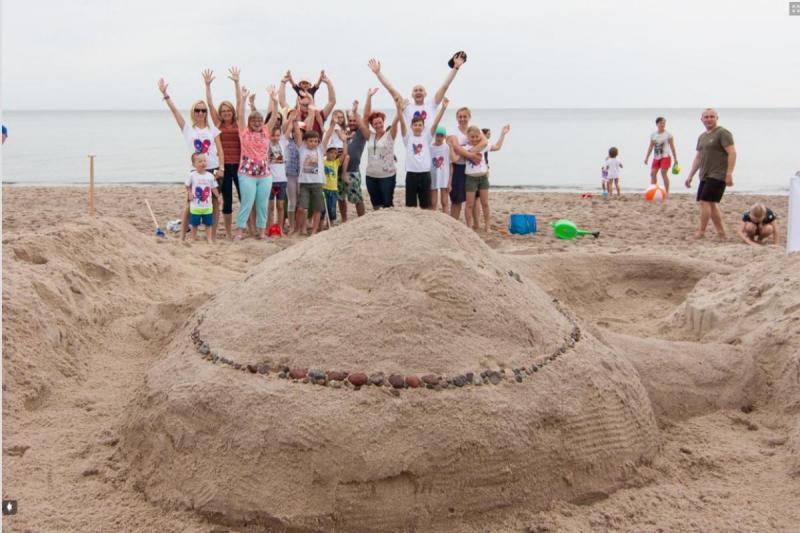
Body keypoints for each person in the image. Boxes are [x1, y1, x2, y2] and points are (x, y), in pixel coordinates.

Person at [158, 77, 224, 241]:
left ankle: (212, 236)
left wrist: (221, 168)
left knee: (215, 203)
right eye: (197, 110)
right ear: (193, 112)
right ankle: (182, 236)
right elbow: (175, 113)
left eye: (203, 110)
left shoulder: (212, 129)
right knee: (190, 202)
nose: (200, 113)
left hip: (213, 169)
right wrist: (166, 94)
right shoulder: (188, 130)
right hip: (196, 170)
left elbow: (220, 150)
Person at [204, 67, 251, 239]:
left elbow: (240, 103)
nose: (225, 113)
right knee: (228, 201)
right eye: (223, 111)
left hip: (240, 166)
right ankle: (230, 232)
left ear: (232, 111)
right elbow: (209, 104)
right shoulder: (218, 123)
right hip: (223, 166)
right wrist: (207, 85)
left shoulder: (239, 122)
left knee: (244, 198)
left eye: (228, 111)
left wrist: (237, 82)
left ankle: (245, 228)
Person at [233, 85, 279, 240]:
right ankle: (239, 231)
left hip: (265, 175)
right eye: (254, 120)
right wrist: (243, 99)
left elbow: (273, 117)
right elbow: (239, 116)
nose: (257, 122)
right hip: (247, 174)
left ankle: (261, 232)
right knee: (247, 203)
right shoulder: (244, 132)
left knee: (262, 205)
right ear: (249, 121)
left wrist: (275, 100)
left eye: (259, 120)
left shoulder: (266, 131)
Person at [367, 54, 464, 126]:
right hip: (413, 147)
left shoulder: (432, 104)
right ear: (412, 94)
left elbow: (445, 86)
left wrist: (455, 68)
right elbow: (391, 89)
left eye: (421, 90)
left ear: (425, 94)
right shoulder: (406, 106)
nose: (418, 92)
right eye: (415, 90)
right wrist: (378, 73)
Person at [685, 109, 736, 240]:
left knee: (704, 201)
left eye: (712, 117)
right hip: (704, 174)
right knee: (711, 203)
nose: (709, 119)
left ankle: (701, 232)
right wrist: (690, 176)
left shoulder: (723, 133)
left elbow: (732, 153)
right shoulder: (702, 136)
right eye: (706, 117)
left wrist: (729, 173)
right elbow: (698, 157)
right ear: (701, 119)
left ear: (717, 118)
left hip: (718, 174)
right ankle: (721, 232)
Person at [397, 96, 448, 208]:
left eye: (420, 125)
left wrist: (443, 108)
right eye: (415, 125)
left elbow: (435, 123)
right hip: (411, 174)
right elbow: (401, 123)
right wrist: (399, 110)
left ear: (423, 126)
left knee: (425, 205)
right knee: (411, 205)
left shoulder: (427, 137)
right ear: (411, 126)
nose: (418, 127)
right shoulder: (408, 138)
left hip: (425, 174)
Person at [294, 107, 335, 235]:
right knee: (301, 208)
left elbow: (327, 135)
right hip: (304, 183)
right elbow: (297, 133)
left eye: (316, 141)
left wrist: (333, 123)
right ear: (305, 141)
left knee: (318, 208)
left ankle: (314, 231)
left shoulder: (320, 149)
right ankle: (300, 229)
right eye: (311, 141)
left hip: (317, 183)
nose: (313, 143)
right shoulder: (301, 148)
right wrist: (295, 121)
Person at [464, 124, 510, 231]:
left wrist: (503, 134)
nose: (474, 139)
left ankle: (487, 225)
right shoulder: (465, 148)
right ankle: (468, 227)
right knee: (469, 204)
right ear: (468, 137)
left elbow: (497, 147)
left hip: (483, 178)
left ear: (480, 136)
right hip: (471, 179)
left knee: (485, 203)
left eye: (477, 136)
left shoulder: (483, 146)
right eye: (472, 137)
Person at [362, 87, 400, 209]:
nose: (378, 125)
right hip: (371, 176)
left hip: (387, 176)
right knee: (376, 204)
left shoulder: (390, 135)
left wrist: (399, 107)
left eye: (380, 122)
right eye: (375, 123)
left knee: (387, 204)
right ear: (372, 125)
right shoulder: (370, 136)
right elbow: (365, 117)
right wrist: (369, 96)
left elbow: (396, 121)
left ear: (383, 122)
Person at [447, 107, 485, 220]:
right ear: (457, 118)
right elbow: (456, 147)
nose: (462, 119)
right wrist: (471, 155)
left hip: (473, 168)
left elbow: (484, 142)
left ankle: (476, 224)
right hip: (458, 167)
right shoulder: (453, 132)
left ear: (469, 117)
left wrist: (469, 153)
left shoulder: (474, 130)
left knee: (475, 198)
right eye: (460, 117)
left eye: (465, 116)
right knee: (457, 198)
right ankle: (454, 223)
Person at [279, 71, 336, 136]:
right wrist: (283, 82)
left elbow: (332, 101)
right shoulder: (293, 114)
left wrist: (328, 82)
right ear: (298, 102)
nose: (307, 106)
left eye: (308, 104)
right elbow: (282, 101)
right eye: (304, 105)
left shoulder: (319, 115)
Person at [341, 99, 370, 221]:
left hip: (353, 171)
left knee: (357, 198)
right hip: (339, 170)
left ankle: (361, 221)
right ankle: (344, 220)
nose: (352, 123)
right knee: (340, 198)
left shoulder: (361, 134)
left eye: (354, 121)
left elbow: (366, 118)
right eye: (350, 121)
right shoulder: (344, 132)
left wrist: (355, 111)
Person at [185, 153, 221, 243]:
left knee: (208, 224)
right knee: (194, 224)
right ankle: (193, 238)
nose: (203, 163)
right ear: (194, 164)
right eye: (200, 161)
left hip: (207, 206)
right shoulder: (192, 175)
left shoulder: (210, 176)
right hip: (195, 206)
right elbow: (187, 185)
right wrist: (189, 193)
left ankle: (209, 238)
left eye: (204, 161)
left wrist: (218, 196)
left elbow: (213, 188)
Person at [644, 117, 678, 195]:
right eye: (661, 123)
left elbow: (672, 146)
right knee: (652, 173)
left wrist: (675, 158)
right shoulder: (653, 135)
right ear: (657, 124)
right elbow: (650, 146)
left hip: (665, 156)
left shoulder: (668, 134)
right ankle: (653, 191)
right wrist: (646, 157)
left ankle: (666, 192)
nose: (663, 125)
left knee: (663, 173)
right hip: (656, 157)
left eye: (664, 123)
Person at [267, 125, 289, 235]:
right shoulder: (266, 144)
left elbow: (288, 126)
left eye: (277, 135)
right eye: (273, 135)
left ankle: (280, 228)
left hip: (282, 179)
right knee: (270, 206)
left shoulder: (283, 143)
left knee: (280, 206)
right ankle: (269, 228)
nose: (275, 138)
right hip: (269, 180)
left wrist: (292, 117)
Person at [430, 126, 455, 213]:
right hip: (433, 177)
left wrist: (449, 182)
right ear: (434, 136)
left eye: (441, 136)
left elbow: (451, 165)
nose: (439, 138)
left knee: (444, 202)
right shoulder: (430, 147)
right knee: (433, 202)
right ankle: (434, 220)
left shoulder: (447, 147)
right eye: (437, 135)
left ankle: (446, 219)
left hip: (444, 177)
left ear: (444, 137)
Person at [322, 143, 344, 227]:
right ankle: (322, 223)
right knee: (323, 207)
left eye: (335, 153)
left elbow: (344, 154)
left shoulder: (336, 163)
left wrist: (344, 141)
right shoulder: (323, 162)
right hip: (324, 188)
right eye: (331, 152)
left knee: (332, 207)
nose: (334, 155)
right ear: (326, 153)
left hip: (333, 189)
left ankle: (330, 223)